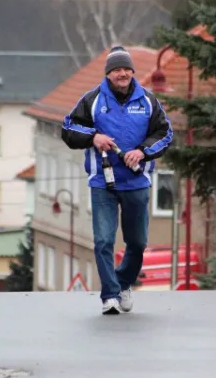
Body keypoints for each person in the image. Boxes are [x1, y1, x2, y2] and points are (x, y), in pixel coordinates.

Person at [61, 46, 173, 315]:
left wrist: (142, 151)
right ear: (108, 74)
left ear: (132, 71)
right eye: (116, 70)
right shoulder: (93, 100)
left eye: (126, 69)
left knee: (137, 243)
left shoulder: (147, 100)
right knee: (103, 241)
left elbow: (165, 133)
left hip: (137, 182)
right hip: (103, 182)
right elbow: (68, 128)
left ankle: (123, 283)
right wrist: (93, 137)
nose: (122, 74)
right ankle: (109, 296)